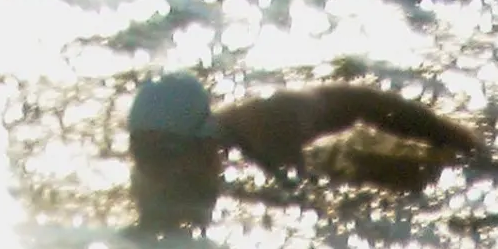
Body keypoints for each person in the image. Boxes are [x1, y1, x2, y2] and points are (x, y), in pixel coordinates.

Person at [125, 71, 479, 225]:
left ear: (205, 145)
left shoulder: (270, 134)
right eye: (143, 153)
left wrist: (458, 140)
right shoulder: (152, 167)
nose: (154, 170)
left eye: (165, 154)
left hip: (356, 108)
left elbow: (364, 103)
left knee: (419, 180)